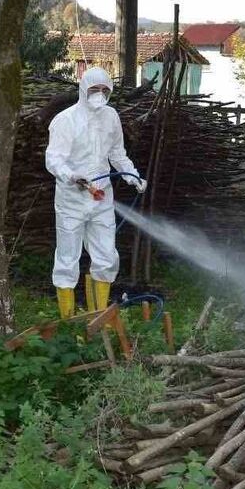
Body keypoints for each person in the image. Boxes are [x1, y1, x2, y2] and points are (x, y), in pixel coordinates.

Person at [44, 67, 146, 318]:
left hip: (102, 197)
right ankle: (67, 319)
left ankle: (98, 316)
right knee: (68, 258)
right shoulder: (65, 120)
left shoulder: (111, 117)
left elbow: (117, 154)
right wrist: (72, 176)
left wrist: (132, 175)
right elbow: (53, 159)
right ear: (82, 89)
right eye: (94, 89)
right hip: (72, 198)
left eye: (104, 90)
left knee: (106, 255)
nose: (99, 94)